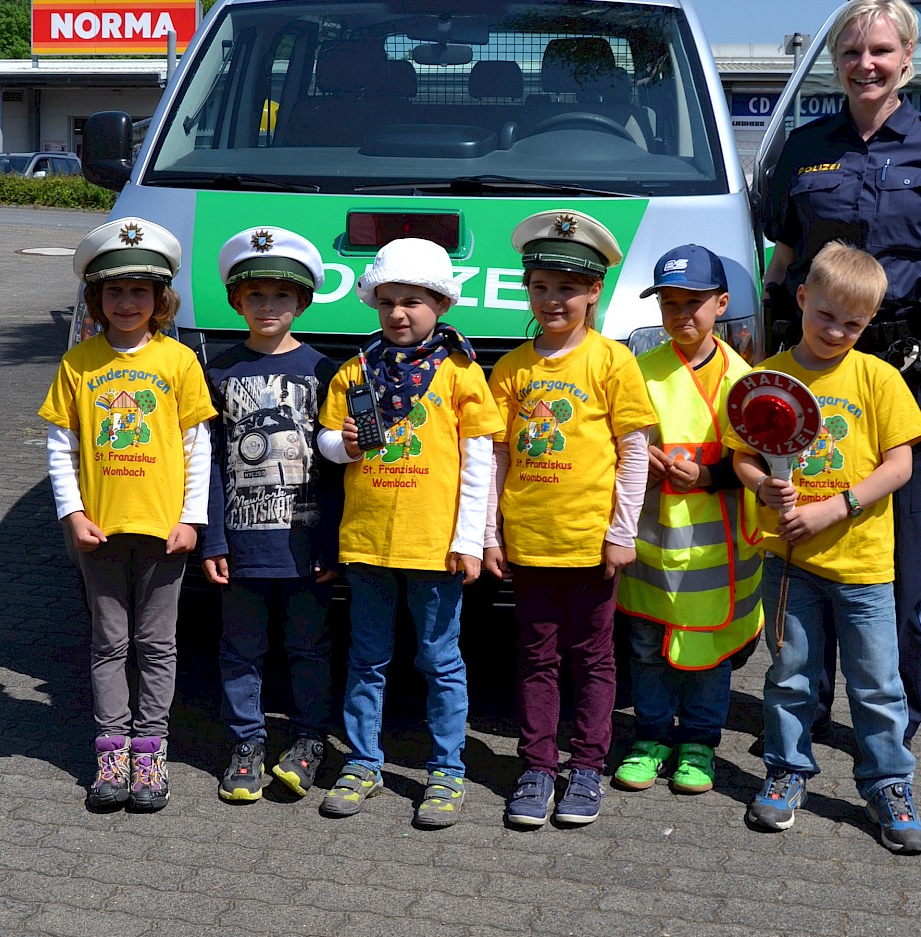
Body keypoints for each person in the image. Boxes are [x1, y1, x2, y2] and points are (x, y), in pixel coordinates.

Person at [762, 0, 921, 741]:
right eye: (853, 53)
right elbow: (782, 266)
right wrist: (766, 375)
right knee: (810, 538)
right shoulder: (804, 147)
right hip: (815, 379)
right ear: (836, 62)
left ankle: (893, 722)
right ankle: (805, 709)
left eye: (881, 52)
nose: (867, 65)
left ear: (906, 62)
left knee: (901, 558)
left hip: (905, 373)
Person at [730, 242, 921, 852]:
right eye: (826, 316)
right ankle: (787, 771)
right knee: (791, 676)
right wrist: (763, 484)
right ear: (802, 299)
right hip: (790, 564)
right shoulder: (770, 377)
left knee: (876, 684)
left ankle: (886, 783)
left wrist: (834, 508)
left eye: (853, 323)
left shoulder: (878, 378)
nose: (837, 331)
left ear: (869, 323)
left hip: (863, 566)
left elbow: (899, 466)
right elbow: (742, 453)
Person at [316, 238, 502, 827]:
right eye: (388, 300)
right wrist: (340, 446)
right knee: (367, 657)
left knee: (439, 659)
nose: (399, 313)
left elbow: (479, 466)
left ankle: (447, 770)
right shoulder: (355, 369)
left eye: (414, 301)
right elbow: (328, 442)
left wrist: (469, 541)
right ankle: (364, 761)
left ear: (441, 304)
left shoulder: (462, 374)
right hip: (367, 541)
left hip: (434, 546)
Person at [484, 210, 656, 829]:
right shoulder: (510, 370)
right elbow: (498, 455)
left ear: (593, 291)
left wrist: (620, 531)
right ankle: (536, 766)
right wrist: (488, 533)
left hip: (592, 545)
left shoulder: (612, 362)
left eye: (567, 287)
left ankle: (586, 766)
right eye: (540, 286)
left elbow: (633, 451)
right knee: (535, 657)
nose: (553, 299)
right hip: (530, 544)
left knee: (594, 657)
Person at [40, 217, 216, 812]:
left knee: (157, 644)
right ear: (96, 298)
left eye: (140, 291)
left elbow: (198, 446)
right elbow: (61, 444)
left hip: (164, 530)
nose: (126, 302)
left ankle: (151, 750)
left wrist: (192, 518)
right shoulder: (79, 363)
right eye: (114, 291)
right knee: (109, 641)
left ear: (161, 299)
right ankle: (111, 753)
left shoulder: (179, 361)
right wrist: (72, 512)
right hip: (101, 530)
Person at [613, 245, 763, 796]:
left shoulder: (742, 380)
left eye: (694, 302)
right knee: (647, 649)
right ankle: (650, 737)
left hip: (715, 555)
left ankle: (700, 741)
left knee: (709, 653)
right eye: (669, 303)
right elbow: (612, 442)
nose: (681, 314)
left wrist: (708, 477)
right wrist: (636, 460)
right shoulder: (637, 371)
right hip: (651, 548)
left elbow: (758, 459)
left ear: (721, 303)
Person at [202, 227, 340, 803]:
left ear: (303, 302)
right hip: (241, 542)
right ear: (235, 301)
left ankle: (310, 740)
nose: (267, 306)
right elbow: (205, 464)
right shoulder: (218, 373)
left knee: (309, 647)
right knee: (241, 649)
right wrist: (213, 540)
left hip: (305, 543)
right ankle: (246, 742)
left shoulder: (325, 371)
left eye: (281, 296)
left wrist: (333, 541)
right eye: (254, 295)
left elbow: (336, 467)